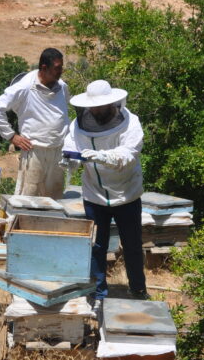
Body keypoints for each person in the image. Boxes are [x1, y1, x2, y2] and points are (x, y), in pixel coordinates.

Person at [63, 80, 147, 301]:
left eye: (100, 107)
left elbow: (129, 155)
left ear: (112, 104)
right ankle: (97, 293)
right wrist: (69, 158)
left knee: (132, 245)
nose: (96, 111)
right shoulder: (78, 123)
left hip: (126, 193)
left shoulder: (131, 122)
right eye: (93, 107)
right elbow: (71, 143)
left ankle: (138, 290)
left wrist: (103, 156)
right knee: (95, 246)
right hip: (94, 194)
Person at [0, 48, 69, 199]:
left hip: (59, 150)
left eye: (61, 67)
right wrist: (12, 136)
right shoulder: (24, 87)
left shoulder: (62, 87)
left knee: (56, 197)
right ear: (44, 68)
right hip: (35, 150)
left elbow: (64, 113)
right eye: (57, 68)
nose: (61, 71)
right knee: (29, 197)